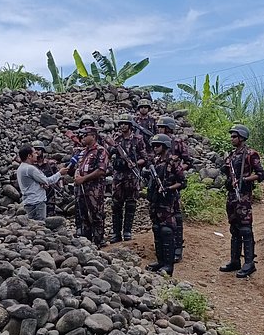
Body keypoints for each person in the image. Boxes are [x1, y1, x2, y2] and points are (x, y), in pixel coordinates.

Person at [220, 124, 264, 278]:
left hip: (243, 196)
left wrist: (244, 179)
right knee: (234, 229)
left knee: (245, 228)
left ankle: (249, 263)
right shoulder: (232, 155)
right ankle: (235, 261)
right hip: (232, 196)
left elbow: (261, 174)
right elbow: (224, 170)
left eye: (234, 136)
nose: (232, 139)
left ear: (242, 137)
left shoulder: (250, 154)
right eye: (232, 136)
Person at [145, 133, 186, 275]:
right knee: (156, 228)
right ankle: (160, 261)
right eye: (154, 146)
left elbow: (182, 182)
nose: (155, 148)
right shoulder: (155, 161)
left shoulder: (173, 162)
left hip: (167, 200)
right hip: (155, 200)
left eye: (158, 145)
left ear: (165, 146)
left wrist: (168, 188)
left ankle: (168, 265)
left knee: (166, 230)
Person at [156, 115, 194, 262]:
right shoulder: (158, 142)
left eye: (162, 127)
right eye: (159, 127)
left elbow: (188, 161)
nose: (159, 129)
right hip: (161, 181)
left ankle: (177, 248)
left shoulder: (177, 142)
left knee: (176, 215)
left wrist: (176, 171)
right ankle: (164, 249)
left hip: (174, 182)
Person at [108, 115, 147, 243]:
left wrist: (135, 164)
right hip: (118, 176)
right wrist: (113, 149)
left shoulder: (138, 139)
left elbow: (145, 158)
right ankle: (116, 233)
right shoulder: (116, 139)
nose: (123, 126)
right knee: (116, 205)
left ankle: (127, 231)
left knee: (131, 204)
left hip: (132, 176)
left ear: (130, 125)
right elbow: (108, 153)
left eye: (125, 124)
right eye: (121, 124)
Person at [69, 125, 110, 246]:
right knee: (82, 214)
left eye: (85, 135)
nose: (82, 137)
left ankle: (98, 241)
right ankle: (86, 241)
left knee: (96, 214)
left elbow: (101, 170)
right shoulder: (82, 152)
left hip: (94, 189)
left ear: (93, 136)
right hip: (80, 189)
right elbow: (77, 167)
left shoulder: (100, 150)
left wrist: (84, 178)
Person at [17, 145, 62, 220]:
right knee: (40, 225)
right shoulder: (30, 169)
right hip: (37, 202)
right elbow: (47, 181)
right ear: (29, 156)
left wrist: (40, 185)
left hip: (28, 202)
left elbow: (32, 183)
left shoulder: (21, 168)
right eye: (34, 153)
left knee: (32, 226)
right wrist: (60, 173)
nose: (36, 154)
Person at [32, 140, 61, 217]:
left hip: (50, 194)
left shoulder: (51, 164)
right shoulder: (30, 166)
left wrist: (60, 188)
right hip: (36, 195)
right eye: (34, 150)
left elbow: (59, 176)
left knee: (50, 215)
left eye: (38, 149)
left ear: (42, 151)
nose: (36, 152)